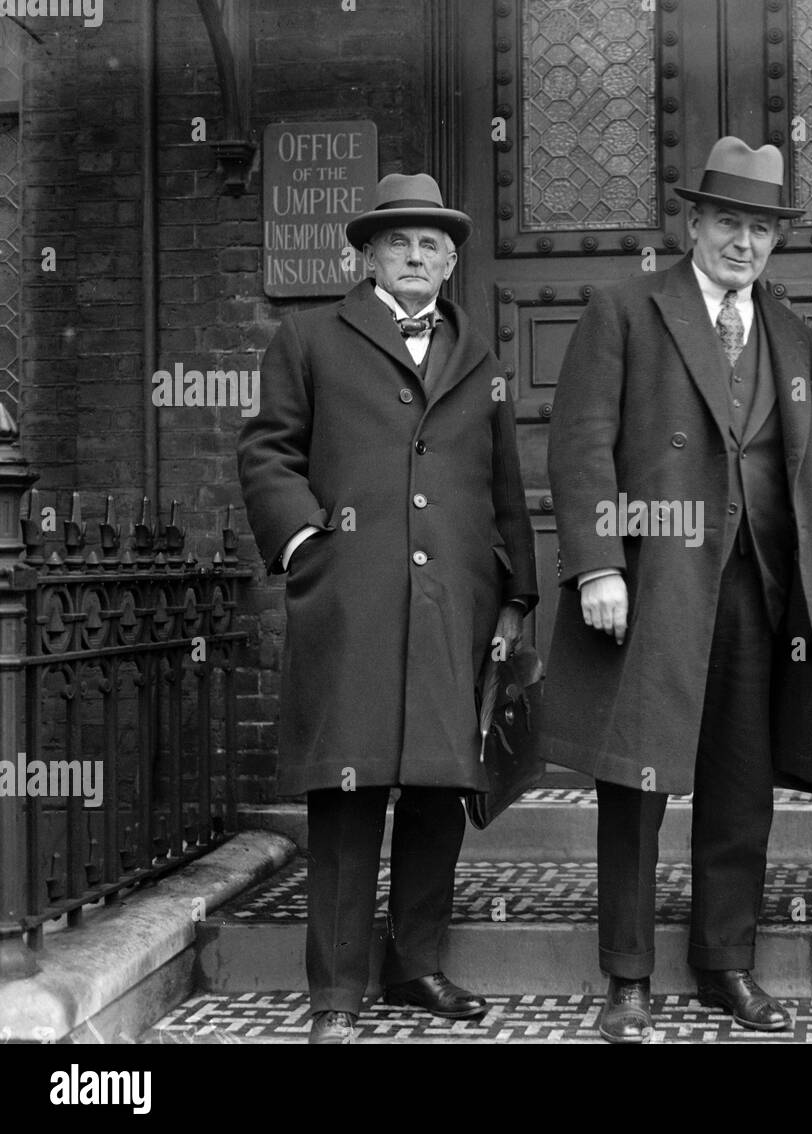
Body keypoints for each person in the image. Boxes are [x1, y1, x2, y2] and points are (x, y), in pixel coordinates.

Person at [540, 137, 812, 1044]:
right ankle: (628, 978)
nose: (744, 243)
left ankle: (728, 963)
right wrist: (599, 563)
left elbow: (795, 468)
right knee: (633, 782)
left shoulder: (793, 334)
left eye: (761, 228)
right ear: (693, 223)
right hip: (651, 583)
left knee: (740, 786)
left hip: (757, 592)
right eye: (729, 222)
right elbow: (580, 442)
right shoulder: (626, 309)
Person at [237, 172, 537, 1044]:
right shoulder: (310, 338)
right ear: (365, 255)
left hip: (456, 602)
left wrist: (514, 592)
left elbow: (503, 482)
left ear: (450, 261)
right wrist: (306, 548)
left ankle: (415, 967)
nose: (417, 256)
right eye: (399, 242)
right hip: (354, 601)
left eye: (433, 244)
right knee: (348, 794)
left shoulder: (476, 352)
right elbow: (267, 453)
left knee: (440, 791)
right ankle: (335, 992)